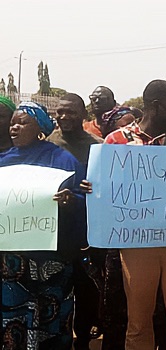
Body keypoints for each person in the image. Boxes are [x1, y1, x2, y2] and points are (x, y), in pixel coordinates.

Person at [85, 80, 166, 350]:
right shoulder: (117, 141)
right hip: (137, 243)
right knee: (138, 320)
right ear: (155, 107)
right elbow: (104, 190)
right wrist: (92, 187)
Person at [1, 102, 86, 349]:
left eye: (22, 122)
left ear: (40, 128)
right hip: (11, 261)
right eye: (12, 123)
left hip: (51, 259)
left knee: (52, 320)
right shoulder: (3, 162)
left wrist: (71, 201)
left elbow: (83, 199)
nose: (14, 127)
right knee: (12, 318)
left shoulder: (62, 159)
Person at [47, 93, 104, 350]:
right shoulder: (47, 145)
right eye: (59, 112)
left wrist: (94, 188)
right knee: (57, 288)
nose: (63, 116)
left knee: (86, 289)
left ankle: (82, 338)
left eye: (70, 112)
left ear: (83, 114)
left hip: (88, 230)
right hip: (54, 231)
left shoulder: (99, 146)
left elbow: (109, 187)